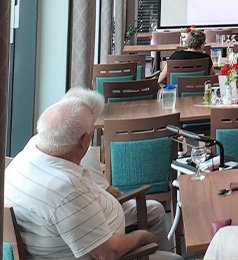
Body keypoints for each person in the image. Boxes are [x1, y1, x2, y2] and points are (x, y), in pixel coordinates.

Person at [4, 98, 189, 260]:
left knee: (152, 212)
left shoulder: (34, 148)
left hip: (59, 249)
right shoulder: (64, 188)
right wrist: (140, 237)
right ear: (84, 140)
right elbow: (108, 253)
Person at [57, 88, 171, 251]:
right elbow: (109, 193)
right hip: (101, 218)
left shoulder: (50, 145)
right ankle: (161, 256)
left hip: (81, 223)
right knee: (155, 208)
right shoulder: (83, 151)